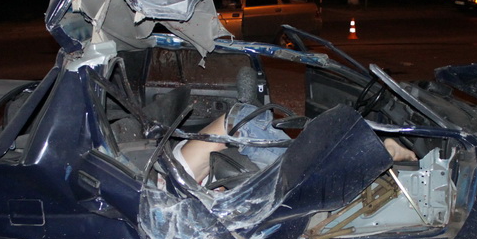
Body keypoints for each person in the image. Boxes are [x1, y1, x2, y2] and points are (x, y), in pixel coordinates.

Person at [174, 103, 416, 185]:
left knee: (305, 169)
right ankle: (380, 150)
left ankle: (383, 150)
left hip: (181, 171)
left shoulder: (170, 183)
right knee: (306, 164)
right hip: (231, 123)